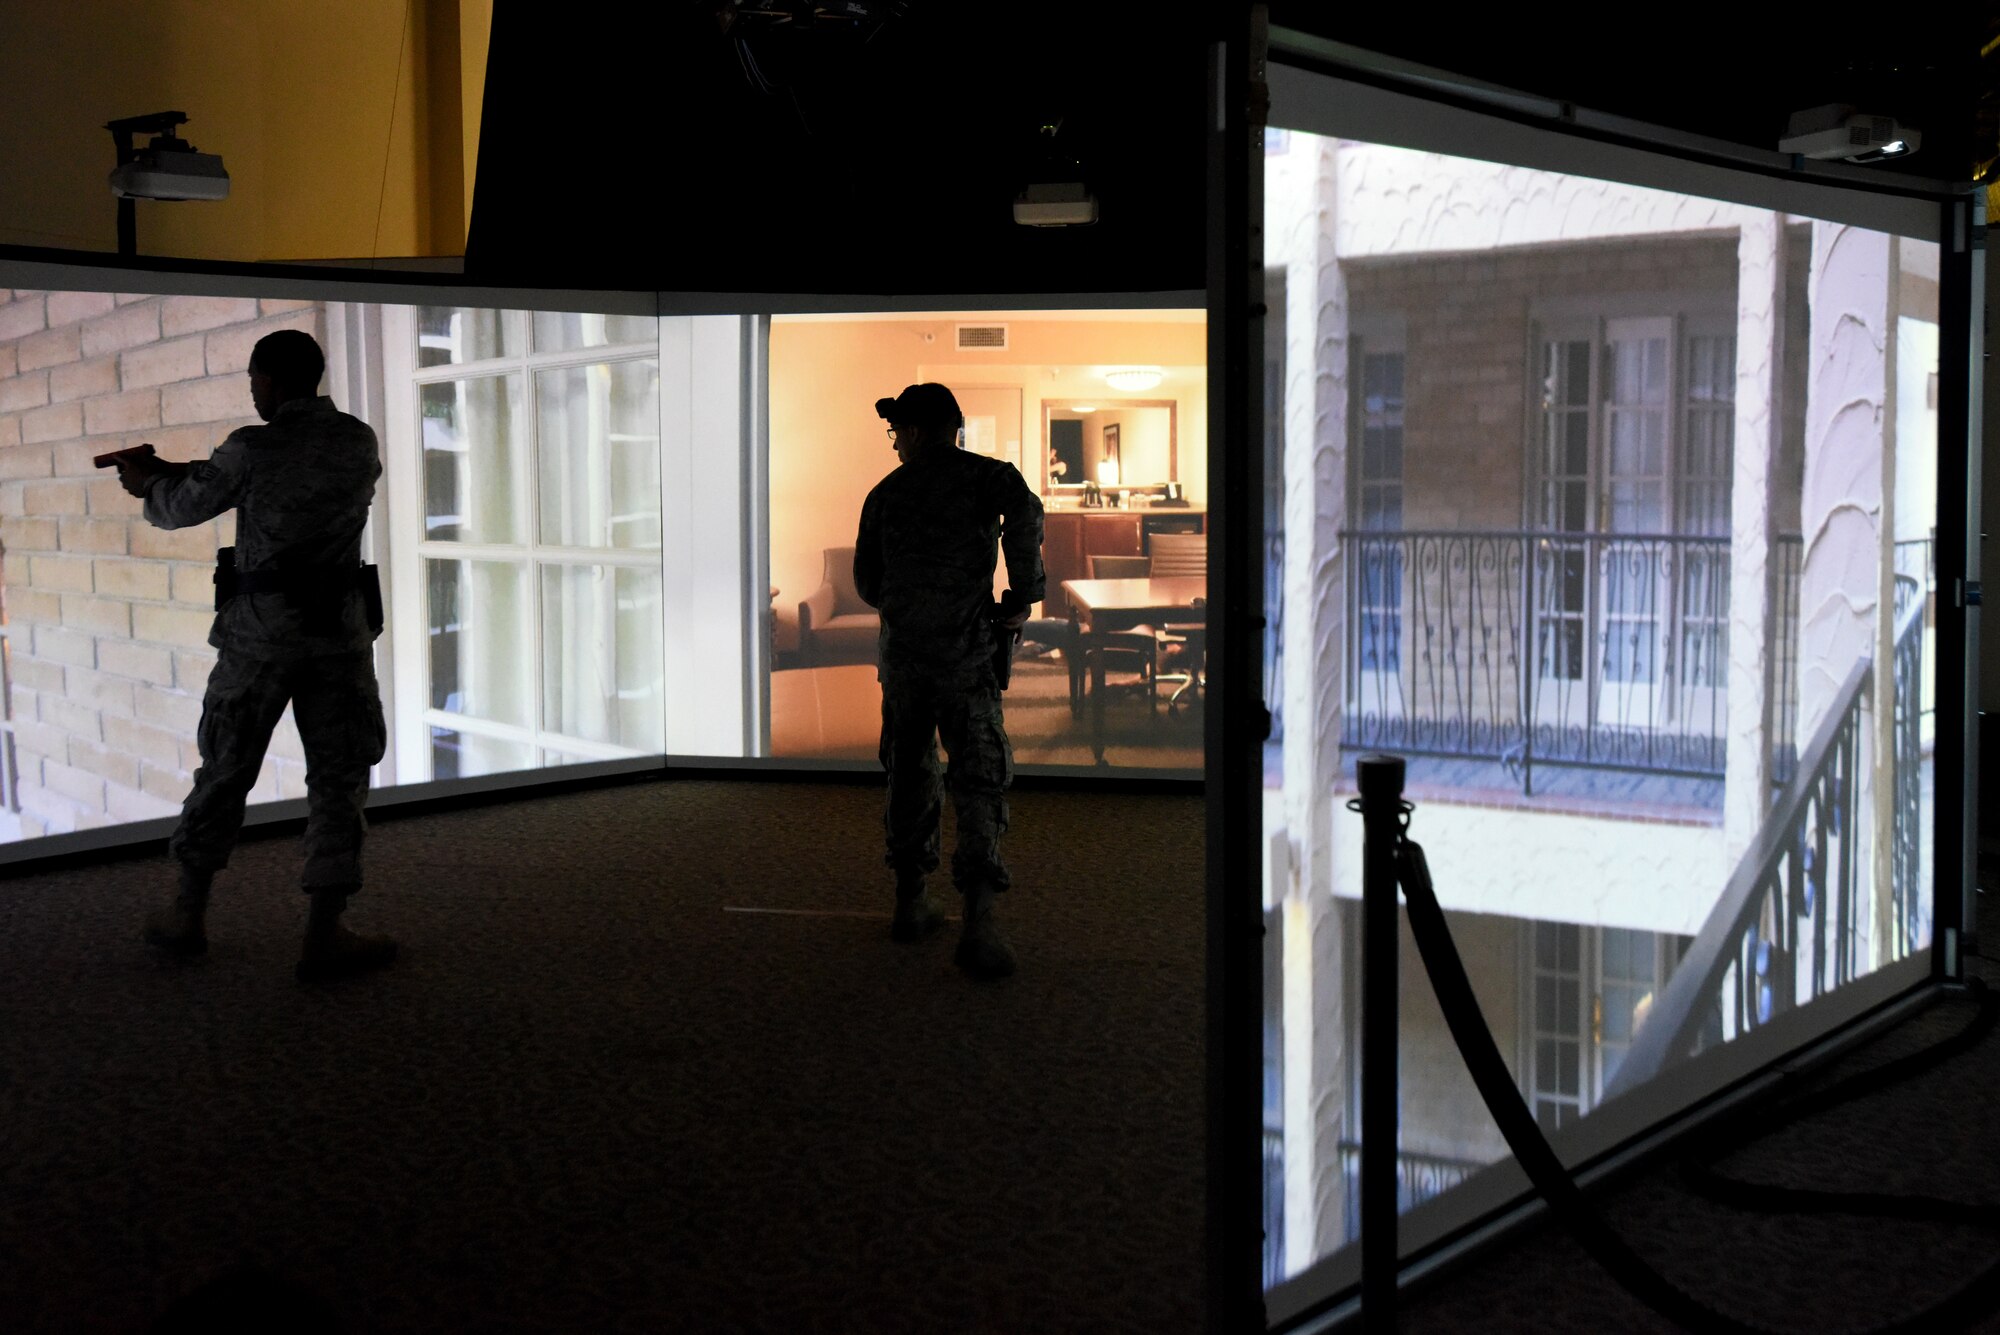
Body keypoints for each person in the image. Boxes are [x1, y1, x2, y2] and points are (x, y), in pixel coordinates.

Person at [118, 329, 395, 983]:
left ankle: (187, 915)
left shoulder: (250, 447)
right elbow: (278, 485)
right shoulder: (358, 441)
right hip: (337, 636)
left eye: (253, 381)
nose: (253, 391)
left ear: (268, 380)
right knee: (339, 783)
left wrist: (146, 485)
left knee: (224, 772)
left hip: (260, 641)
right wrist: (189, 470)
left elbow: (185, 508)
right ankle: (325, 934)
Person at [855, 383, 1044, 978]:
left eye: (897, 434)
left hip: (907, 663)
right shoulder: (992, 477)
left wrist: (910, 605)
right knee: (979, 778)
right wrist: (1022, 596)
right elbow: (1028, 515)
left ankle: (911, 902)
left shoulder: (886, 493)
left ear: (913, 432)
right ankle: (979, 923)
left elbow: (866, 583)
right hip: (967, 661)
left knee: (909, 773)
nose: (896, 446)